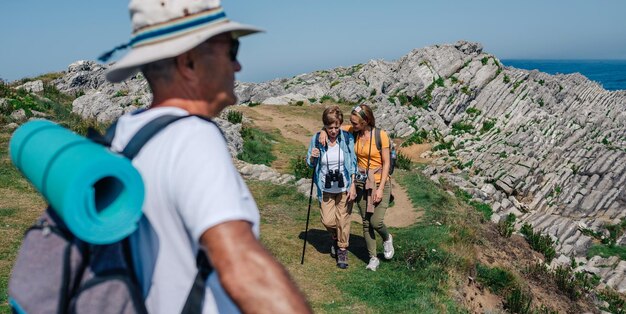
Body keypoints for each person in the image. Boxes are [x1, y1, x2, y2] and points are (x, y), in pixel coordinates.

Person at [101, 1, 311, 313]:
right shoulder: (191, 137)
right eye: (232, 50)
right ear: (188, 62)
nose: (237, 66)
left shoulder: (124, 133)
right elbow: (243, 269)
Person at [319, 104, 394, 271]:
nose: (352, 125)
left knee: (376, 221)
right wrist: (323, 132)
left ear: (366, 121)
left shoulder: (381, 135)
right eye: (351, 122)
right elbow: (332, 125)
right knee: (366, 222)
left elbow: (387, 163)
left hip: (379, 182)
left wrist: (381, 188)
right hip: (360, 183)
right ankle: (373, 258)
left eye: (356, 123)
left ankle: (387, 237)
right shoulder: (353, 132)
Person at [306, 106, 357, 269]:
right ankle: (336, 237)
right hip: (325, 187)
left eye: (336, 127)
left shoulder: (347, 138)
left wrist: (353, 184)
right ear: (325, 126)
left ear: (340, 124)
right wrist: (313, 157)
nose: (333, 131)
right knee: (328, 220)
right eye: (329, 128)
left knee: (343, 219)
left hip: (344, 187)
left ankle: (342, 249)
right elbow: (310, 163)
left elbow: (353, 163)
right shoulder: (317, 139)